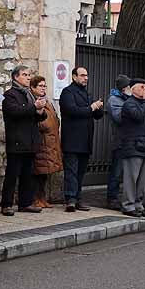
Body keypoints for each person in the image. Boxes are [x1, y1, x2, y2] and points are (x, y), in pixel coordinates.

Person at [1, 64, 47, 215]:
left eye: (29, 75)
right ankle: (6, 204)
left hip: (30, 140)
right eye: (25, 75)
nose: (28, 77)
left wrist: (40, 111)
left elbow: (37, 116)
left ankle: (25, 203)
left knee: (28, 175)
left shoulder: (29, 94)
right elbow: (15, 112)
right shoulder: (10, 95)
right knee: (12, 175)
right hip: (17, 140)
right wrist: (34, 107)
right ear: (16, 77)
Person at [59, 66, 104, 210]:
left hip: (86, 140)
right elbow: (72, 110)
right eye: (82, 75)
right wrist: (91, 108)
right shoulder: (67, 92)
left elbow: (97, 115)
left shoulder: (87, 94)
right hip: (72, 139)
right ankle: (70, 199)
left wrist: (98, 108)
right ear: (74, 77)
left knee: (81, 172)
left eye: (87, 75)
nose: (86, 78)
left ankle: (78, 198)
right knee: (71, 171)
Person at [117, 79, 145, 217]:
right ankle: (128, 205)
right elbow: (138, 116)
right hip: (133, 146)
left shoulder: (143, 104)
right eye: (142, 87)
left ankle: (138, 204)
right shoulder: (129, 104)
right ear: (133, 89)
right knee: (131, 178)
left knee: (142, 180)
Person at [31, 75, 62, 208]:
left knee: (45, 173)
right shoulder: (34, 101)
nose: (43, 88)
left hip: (50, 141)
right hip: (40, 141)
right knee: (37, 172)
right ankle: (35, 199)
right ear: (33, 87)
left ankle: (42, 198)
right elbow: (39, 121)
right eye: (40, 86)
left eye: (45, 86)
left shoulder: (48, 101)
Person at [104, 75, 132, 209]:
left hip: (131, 140)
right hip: (120, 140)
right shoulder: (114, 100)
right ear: (123, 88)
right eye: (128, 87)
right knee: (116, 171)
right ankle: (112, 198)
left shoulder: (128, 99)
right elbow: (119, 117)